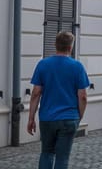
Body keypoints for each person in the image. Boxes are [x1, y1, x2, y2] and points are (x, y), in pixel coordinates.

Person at [27, 31, 89, 169]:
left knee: (46, 153)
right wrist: (79, 116)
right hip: (69, 118)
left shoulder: (43, 65)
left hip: (47, 118)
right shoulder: (77, 67)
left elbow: (36, 93)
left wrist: (31, 118)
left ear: (55, 45)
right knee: (62, 157)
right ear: (70, 47)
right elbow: (83, 96)